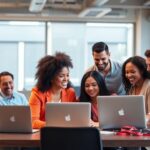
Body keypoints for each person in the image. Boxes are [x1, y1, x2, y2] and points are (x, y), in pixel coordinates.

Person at [29, 52, 76, 129]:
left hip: (66, 133)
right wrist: (57, 125)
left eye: (67, 75)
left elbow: (74, 117)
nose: (66, 79)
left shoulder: (70, 92)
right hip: (44, 134)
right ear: (51, 78)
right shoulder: (37, 94)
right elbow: (33, 122)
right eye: (61, 76)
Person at [122, 56, 150, 124]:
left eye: (132, 72)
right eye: (127, 72)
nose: (129, 75)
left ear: (142, 71)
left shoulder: (148, 86)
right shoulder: (132, 88)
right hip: (136, 128)